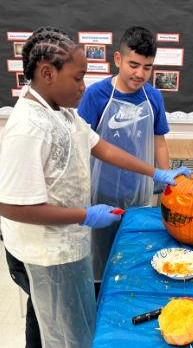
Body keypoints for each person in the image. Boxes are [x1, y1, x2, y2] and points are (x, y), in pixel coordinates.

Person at [0, 27, 189, 348]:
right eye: (78, 78)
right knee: (44, 315)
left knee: (57, 313)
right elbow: (12, 207)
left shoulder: (63, 113)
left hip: (64, 242)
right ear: (47, 73)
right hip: (40, 250)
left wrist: (158, 174)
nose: (84, 87)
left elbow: (104, 148)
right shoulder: (28, 126)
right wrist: (85, 214)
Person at [77, 26, 183, 290]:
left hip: (140, 194)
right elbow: (81, 145)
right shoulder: (96, 95)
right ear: (117, 59)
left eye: (147, 67)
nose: (140, 74)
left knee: (133, 257)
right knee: (99, 263)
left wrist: (166, 178)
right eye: (133, 65)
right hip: (99, 194)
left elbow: (159, 142)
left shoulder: (154, 97)